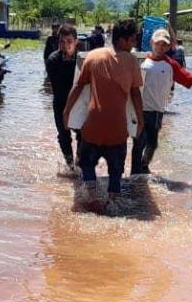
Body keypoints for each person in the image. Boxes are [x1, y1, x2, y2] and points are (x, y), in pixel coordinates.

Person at [63, 19, 144, 210]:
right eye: (132, 40)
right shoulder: (132, 62)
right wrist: (140, 121)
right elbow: (135, 95)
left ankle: (91, 195)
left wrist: (66, 113)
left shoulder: (93, 56)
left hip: (93, 127)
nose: (134, 45)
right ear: (123, 41)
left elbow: (78, 87)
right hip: (117, 130)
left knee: (86, 162)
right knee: (116, 172)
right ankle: (112, 203)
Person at [132, 28, 192, 176]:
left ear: (169, 46)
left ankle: (144, 167)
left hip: (158, 111)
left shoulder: (170, 65)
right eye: (158, 44)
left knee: (152, 144)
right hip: (140, 110)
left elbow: (188, 78)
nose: (160, 47)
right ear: (152, 43)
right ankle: (135, 174)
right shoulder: (141, 63)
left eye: (164, 45)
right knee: (138, 143)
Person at [45, 24, 80, 168]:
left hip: (80, 103)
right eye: (62, 42)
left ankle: (79, 163)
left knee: (84, 136)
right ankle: (71, 166)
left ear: (76, 41)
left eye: (69, 42)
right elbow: (59, 86)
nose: (65, 45)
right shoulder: (53, 59)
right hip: (61, 102)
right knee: (64, 137)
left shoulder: (82, 59)